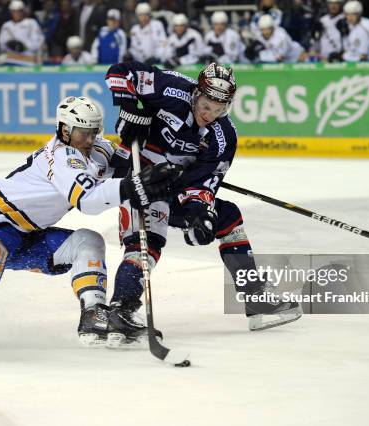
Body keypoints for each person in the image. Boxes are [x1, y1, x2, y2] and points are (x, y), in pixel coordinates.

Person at [0, 96, 180, 363]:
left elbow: (127, 166)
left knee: (86, 242)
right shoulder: (62, 157)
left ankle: (94, 314)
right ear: (64, 130)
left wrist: (138, 146)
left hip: (27, 232)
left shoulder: (97, 148)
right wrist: (134, 185)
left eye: (93, 131)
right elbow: (88, 200)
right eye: (82, 132)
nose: (88, 139)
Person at [103, 62, 302, 346]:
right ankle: (120, 310)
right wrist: (127, 104)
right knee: (147, 243)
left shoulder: (223, 138)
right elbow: (121, 72)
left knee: (227, 217)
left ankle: (255, 298)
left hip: (172, 186)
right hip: (135, 175)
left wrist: (200, 215)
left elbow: (202, 183)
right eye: (206, 105)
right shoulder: (171, 88)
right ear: (196, 93)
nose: (210, 114)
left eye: (219, 109)